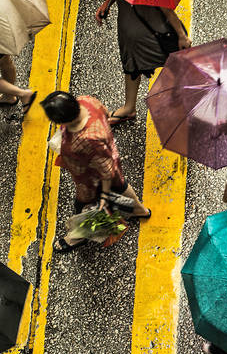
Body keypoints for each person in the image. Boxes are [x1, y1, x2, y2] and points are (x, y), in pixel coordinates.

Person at [39, 92, 151, 253]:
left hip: (91, 179)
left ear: (64, 120)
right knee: (120, 185)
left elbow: (105, 170)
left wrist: (104, 195)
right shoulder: (86, 101)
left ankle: (78, 236)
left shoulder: (85, 140)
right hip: (111, 157)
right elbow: (105, 113)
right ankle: (140, 211)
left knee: (83, 206)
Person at [95, 0, 191, 126]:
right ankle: (129, 108)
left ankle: (185, 96)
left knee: (174, 60)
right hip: (132, 33)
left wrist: (181, 36)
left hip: (152, 31)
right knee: (132, 66)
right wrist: (107, 3)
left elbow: (166, 9)